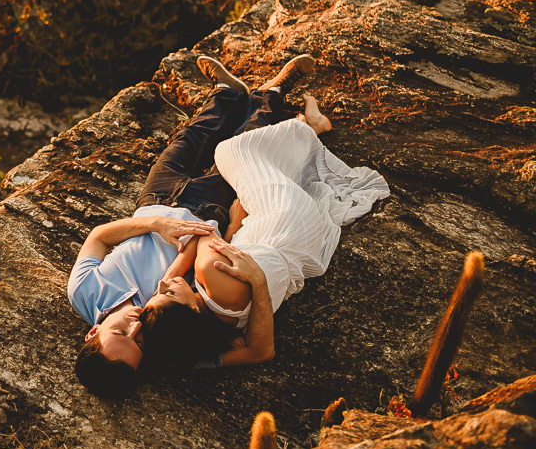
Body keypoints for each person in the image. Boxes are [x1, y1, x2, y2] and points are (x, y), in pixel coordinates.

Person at [67, 54, 315, 397]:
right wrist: (251, 271)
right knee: (243, 147)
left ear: (93, 333)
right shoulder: (171, 347)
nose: (137, 327)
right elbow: (258, 352)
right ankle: (272, 93)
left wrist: (155, 223)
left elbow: (98, 238)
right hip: (208, 213)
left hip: (154, 204)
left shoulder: (84, 293)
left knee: (189, 139)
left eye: (122, 333)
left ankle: (227, 92)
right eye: (139, 344)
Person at [139, 90, 390, 370]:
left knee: (256, 177)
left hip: (301, 240)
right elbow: (203, 232)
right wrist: (224, 232)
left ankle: (305, 131)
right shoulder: (209, 273)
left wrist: (235, 229)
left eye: (157, 292)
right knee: (229, 151)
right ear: (193, 310)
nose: (161, 285)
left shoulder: (221, 326)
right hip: (286, 216)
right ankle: (308, 127)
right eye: (168, 293)